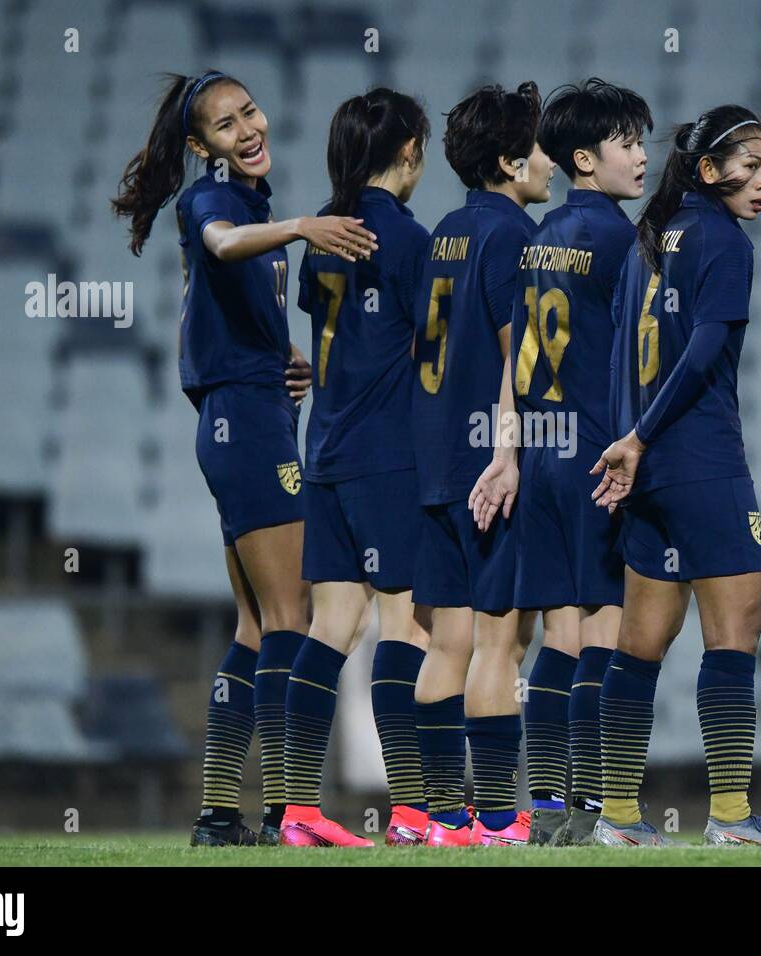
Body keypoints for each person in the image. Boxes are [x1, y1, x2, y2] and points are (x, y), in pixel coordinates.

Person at [111, 70, 378, 847]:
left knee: (259, 625)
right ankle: (291, 812)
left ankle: (220, 815)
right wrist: (299, 227)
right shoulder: (215, 202)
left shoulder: (246, 201)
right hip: (246, 428)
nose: (248, 129)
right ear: (202, 148)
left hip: (248, 414)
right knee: (294, 614)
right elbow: (222, 247)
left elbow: (224, 299)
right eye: (226, 126)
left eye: (251, 111)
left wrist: (279, 356)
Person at [590, 105, 761, 848]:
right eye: (749, 166)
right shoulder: (724, 241)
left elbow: (623, 350)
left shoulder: (648, 241)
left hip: (650, 469)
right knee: (736, 631)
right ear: (709, 170)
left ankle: (618, 820)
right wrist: (646, 436)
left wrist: (629, 445)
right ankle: (729, 816)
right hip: (700, 461)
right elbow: (705, 349)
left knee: (641, 641)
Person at [471, 78, 653, 846]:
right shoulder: (620, 239)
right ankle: (594, 808)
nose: (643, 157)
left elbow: (516, 361)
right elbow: (641, 356)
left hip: (540, 452)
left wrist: (507, 450)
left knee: (558, 634)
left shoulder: (538, 236)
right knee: (606, 626)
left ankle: (545, 807)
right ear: (585, 157)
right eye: (627, 143)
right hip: (593, 454)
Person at [280, 88, 435, 848]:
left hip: (327, 454)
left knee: (333, 625)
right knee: (403, 626)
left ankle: (297, 808)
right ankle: (411, 811)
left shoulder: (323, 234)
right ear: (410, 150)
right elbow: (430, 355)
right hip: (386, 458)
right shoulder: (410, 241)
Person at [410, 82, 552, 846]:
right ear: (508, 160)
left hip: (432, 458)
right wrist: (508, 453)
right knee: (502, 641)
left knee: (447, 641)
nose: (550, 162)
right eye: (537, 147)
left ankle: (439, 817)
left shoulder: (444, 232)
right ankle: (498, 816)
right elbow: (515, 361)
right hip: (485, 466)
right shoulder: (514, 238)